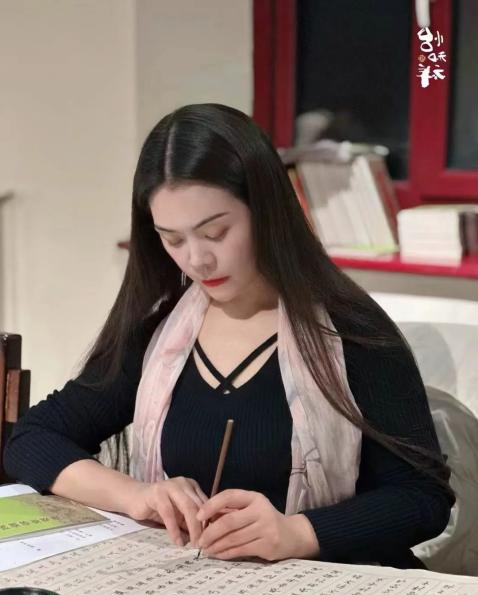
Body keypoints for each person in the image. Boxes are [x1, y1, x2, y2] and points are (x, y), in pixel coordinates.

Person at [4, 103, 453, 568]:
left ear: (266, 212)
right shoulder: (161, 337)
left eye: (216, 232)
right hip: (199, 590)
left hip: (333, 589)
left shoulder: (351, 333)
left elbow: (422, 498)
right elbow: (33, 439)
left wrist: (297, 533)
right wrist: (138, 495)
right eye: (173, 239)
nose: (197, 260)